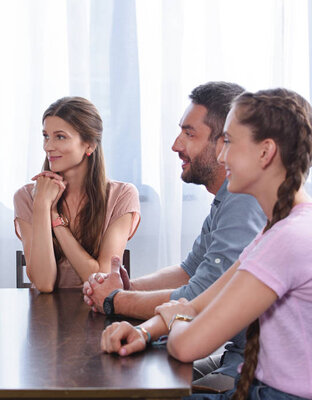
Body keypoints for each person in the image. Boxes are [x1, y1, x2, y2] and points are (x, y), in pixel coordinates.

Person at [101, 88, 312, 400]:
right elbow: (203, 301)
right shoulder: (277, 229)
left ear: (265, 152)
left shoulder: (286, 239)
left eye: (228, 142)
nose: (222, 155)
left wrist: (179, 315)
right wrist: (145, 331)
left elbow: (186, 345)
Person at [83, 82, 267, 391]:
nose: (175, 145)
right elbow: (190, 270)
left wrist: (116, 301)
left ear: (225, 142)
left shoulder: (246, 200)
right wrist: (129, 287)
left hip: (251, 364)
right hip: (233, 353)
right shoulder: (229, 197)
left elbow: (199, 297)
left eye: (189, 133)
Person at [13, 96, 141, 293]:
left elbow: (101, 276)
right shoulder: (26, 197)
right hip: (45, 319)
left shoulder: (121, 196)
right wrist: (41, 205)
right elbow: (44, 283)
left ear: (89, 145)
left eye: (60, 137)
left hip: (100, 315)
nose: (48, 146)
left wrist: (54, 217)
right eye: (46, 136)